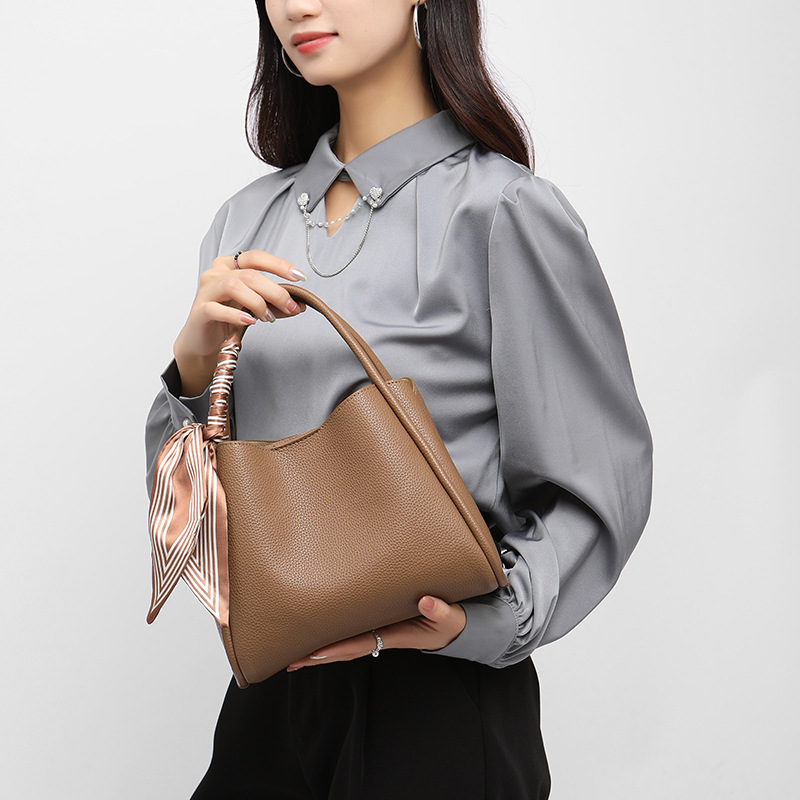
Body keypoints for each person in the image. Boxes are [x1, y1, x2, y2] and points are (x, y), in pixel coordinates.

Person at [144, 0, 653, 797]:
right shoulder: (245, 221)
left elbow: (599, 480)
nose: (297, 5)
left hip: (436, 701)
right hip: (270, 698)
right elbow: (191, 521)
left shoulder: (501, 210)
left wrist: (483, 621)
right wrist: (190, 366)